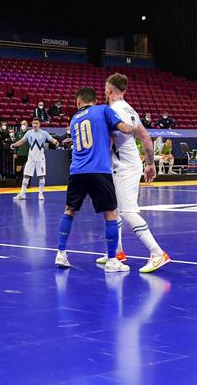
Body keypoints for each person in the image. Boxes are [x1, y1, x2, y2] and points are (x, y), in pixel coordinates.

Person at [54, 87, 139, 272]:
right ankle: (111, 260)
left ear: (79, 102)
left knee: (69, 210)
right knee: (110, 213)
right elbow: (123, 129)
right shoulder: (103, 110)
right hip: (99, 170)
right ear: (94, 99)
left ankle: (61, 253)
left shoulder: (74, 118)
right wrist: (137, 129)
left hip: (77, 171)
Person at [95, 73, 170, 273]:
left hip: (125, 167)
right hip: (130, 164)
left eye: (105, 88)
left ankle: (157, 253)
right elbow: (145, 136)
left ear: (109, 90)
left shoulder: (112, 111)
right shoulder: (130, 109)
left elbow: (109, 142)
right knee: (115, 208)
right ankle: (117, 250)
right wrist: (149, 163)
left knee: (128, 211)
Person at [11, 117, 59, 200]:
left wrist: (56, 142)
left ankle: (41, 194)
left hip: (40, 159)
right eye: (33, 123)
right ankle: (22, 194)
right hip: (31, 158)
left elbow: (51, 139)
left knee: (41, 176)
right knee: (26, 175)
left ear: (39, 124)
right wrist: (14, 144)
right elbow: (22, 141)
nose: (35, 125)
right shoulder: (29, 133)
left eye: (36, 123)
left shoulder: (44, 133)